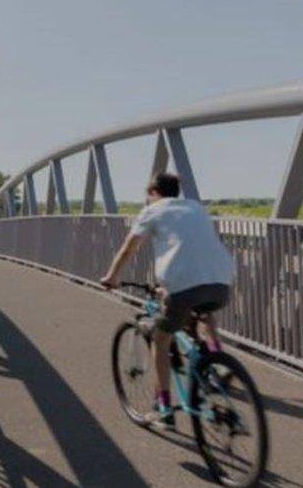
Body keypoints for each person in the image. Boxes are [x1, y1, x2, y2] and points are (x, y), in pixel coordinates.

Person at [100, 173, 234, 429]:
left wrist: (112, 277)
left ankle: (163, 408)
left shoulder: (152, 211)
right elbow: (190, 246)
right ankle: (217, 362)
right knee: (203, 312)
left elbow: (130, 247)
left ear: (153, 192)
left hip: (183, 283)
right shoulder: (195, 207)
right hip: (221, 279)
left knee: (161, 339)